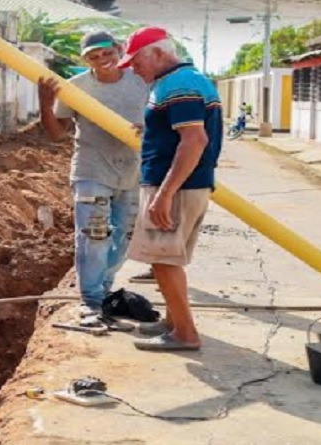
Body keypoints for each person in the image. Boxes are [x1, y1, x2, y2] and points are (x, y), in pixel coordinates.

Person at [118, 26, 222, 351]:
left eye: (136, 62)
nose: (134, 70)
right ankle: (173, 323)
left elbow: (194, 140)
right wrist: (153, 127)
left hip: (175, 188)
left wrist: (164, 194)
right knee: (167, 259)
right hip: (186, 185)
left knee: (163, 261)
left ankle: (184, 334)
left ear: (159, 53)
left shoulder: (178, 85)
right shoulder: (185, 80)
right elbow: (184, 131)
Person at [37, 31, 149, 329]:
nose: (102, 60)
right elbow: (56, 133)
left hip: (132, 172)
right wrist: (45, 104)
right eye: (93, 57)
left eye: (107, 53)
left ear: (118, 49)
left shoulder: (141, 81)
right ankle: (90, 300)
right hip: (92, 171)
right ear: (85, 60)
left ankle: (104, 291)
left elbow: (162, 120)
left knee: (124, 238)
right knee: (93, 236)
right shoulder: (76, 88)